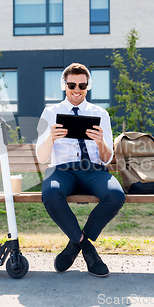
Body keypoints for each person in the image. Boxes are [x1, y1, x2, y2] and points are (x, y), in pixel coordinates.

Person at [36, 63, 125, 277]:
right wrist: (51, 137)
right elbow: (41, 157)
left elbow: (106, 158)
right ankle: (87, 248)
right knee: (50, 193)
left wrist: (101, 141)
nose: (77, 89)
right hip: (61, 169)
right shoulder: (50, 112)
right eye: (72, 84)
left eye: (82, 85)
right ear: (64, 85)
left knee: (115, 195)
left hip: (93, 169)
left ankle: (74, 245)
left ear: (88, 86)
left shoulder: (100, 113)